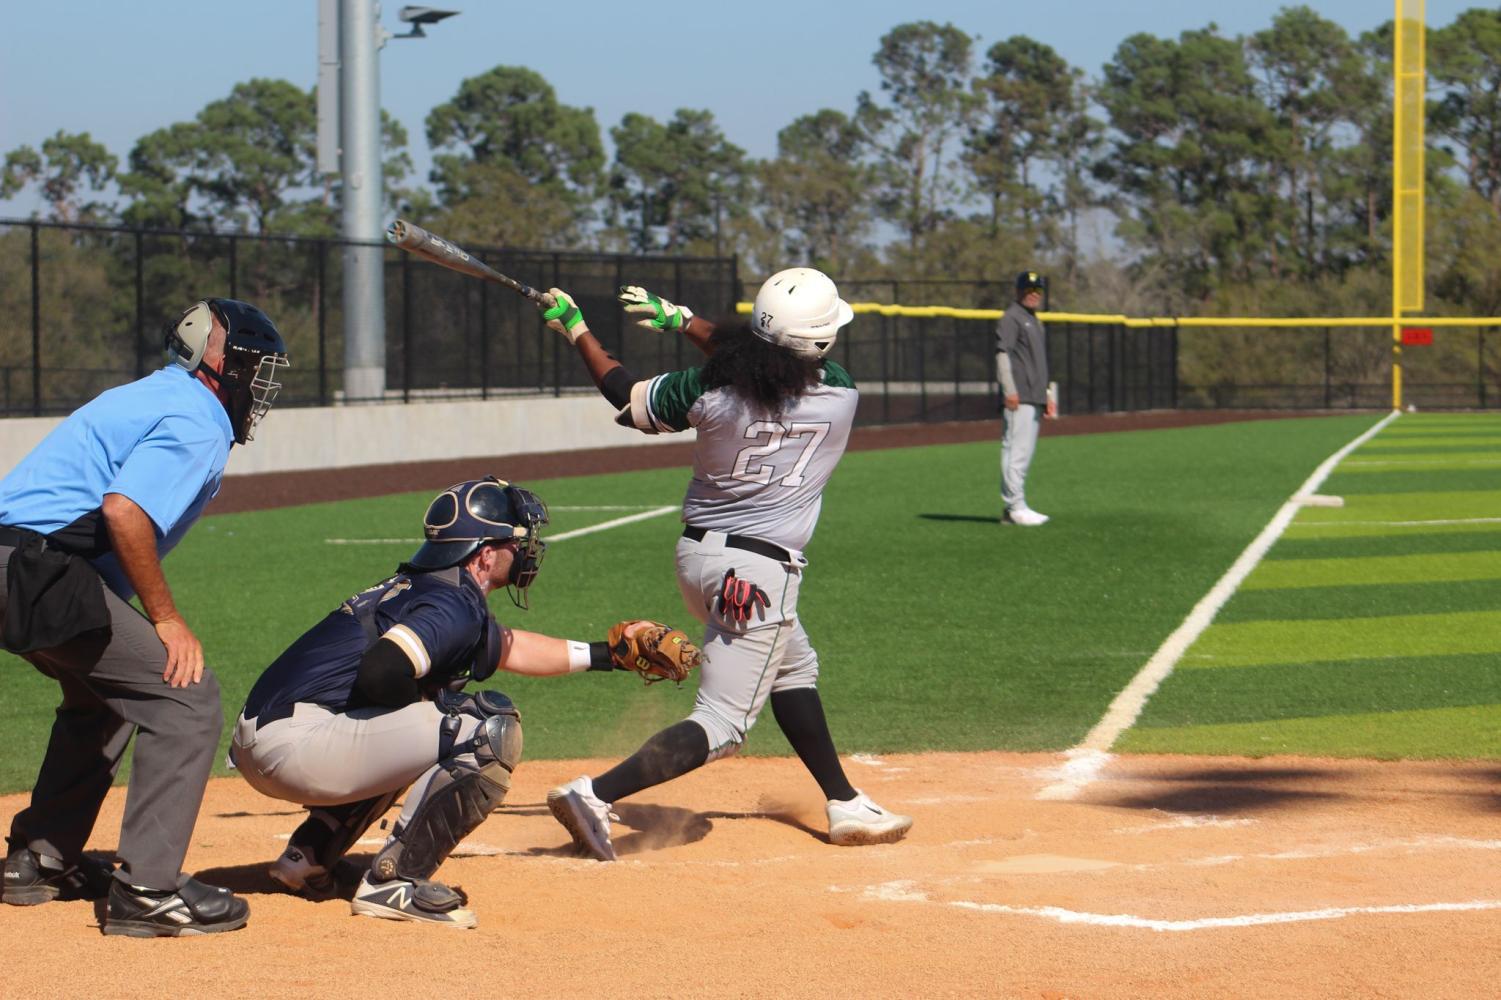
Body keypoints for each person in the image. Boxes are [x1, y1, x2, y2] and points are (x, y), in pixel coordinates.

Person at [533, 272, 913, 862]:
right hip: (760, 575)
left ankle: (843, 801)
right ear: (818, 344)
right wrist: (686, 321)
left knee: (794, 666)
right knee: (723, 726)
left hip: (701, 558)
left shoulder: (710, 392)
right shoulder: (840, 391)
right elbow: (766, 361)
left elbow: (626, 393)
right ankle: (594, 794)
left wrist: (577, 328)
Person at [232, 476, 695, 928]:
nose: (526, 551)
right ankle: (397, 883)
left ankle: (309, 857)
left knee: (429, 719)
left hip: (273, 740)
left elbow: (510, 647)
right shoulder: (452, 605)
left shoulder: (432, 590)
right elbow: (381, 670)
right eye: (517, 541)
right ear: (485, 554)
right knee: (484, 728)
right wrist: (425, 701)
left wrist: (611, 656)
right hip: (300, 747)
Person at [0, 298, 289, 936]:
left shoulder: (152, 394)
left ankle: (37, 861)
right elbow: (123, 511)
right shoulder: (199, 416)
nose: (263, 382)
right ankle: (147, 892)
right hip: (33, 571)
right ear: (220, 362)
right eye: (256, 366)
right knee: (184, 697)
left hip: (18, 564)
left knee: (103, 698)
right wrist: (166, 619)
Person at [996, 270, 1057, 526]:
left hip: (1034, 395)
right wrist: (1010, 390)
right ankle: (1014, 507)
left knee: (1024, 451)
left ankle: (1017, 506)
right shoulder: (1012, 318)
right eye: (1028, 290)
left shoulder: (1033, 320)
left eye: (1037, 290)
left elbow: (1038, 363)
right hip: (1019, 396)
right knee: (1016, 450)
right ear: (1018, 291)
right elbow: (1002, 355)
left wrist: (1047, 394)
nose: (1033, 295)